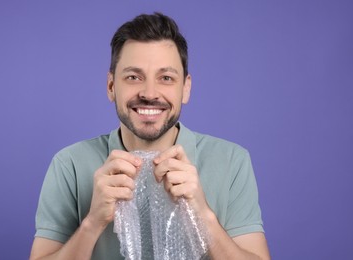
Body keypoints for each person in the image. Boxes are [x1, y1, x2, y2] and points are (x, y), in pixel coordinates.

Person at [30, 12, 270, 260]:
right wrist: (92, 223)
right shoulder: (69, 164)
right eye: (133, 77)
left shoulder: (232, 161)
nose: (149, 93)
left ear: (185, 88)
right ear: (111, 86)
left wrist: (203, 214)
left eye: (166, 78)